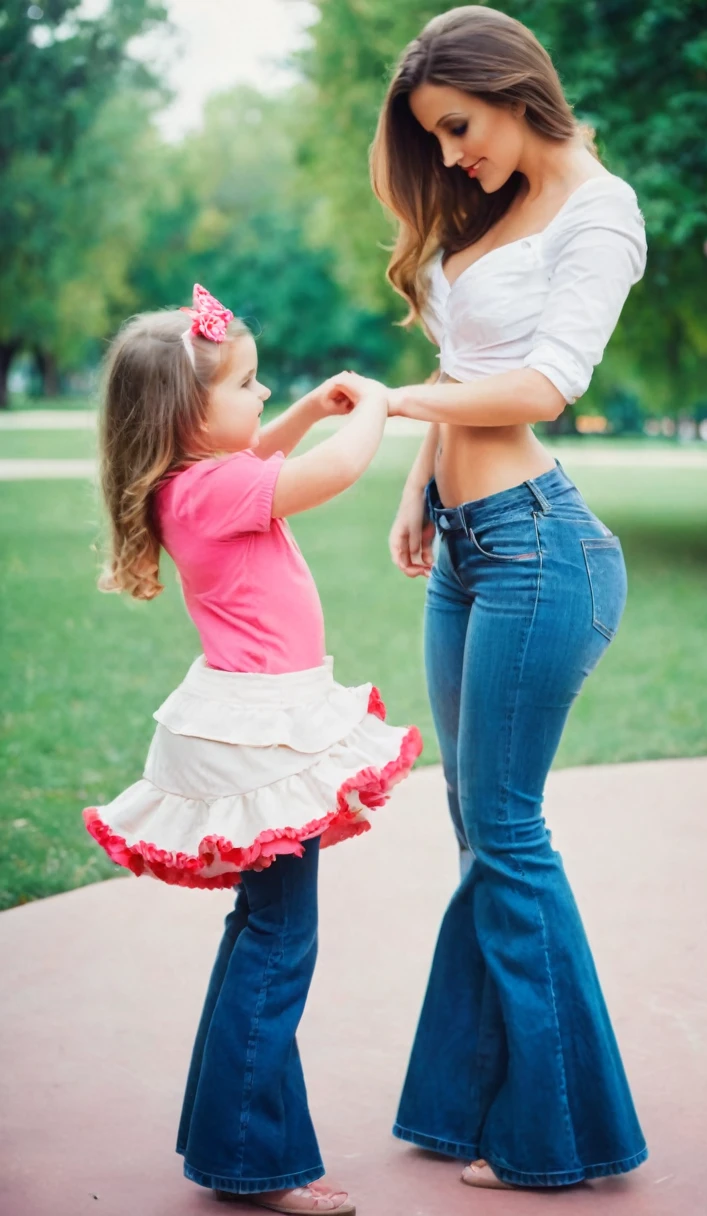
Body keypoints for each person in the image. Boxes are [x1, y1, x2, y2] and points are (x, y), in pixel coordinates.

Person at [355, 3, 649, 1193]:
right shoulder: (492, 205)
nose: (450, 156)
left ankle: (555, 1132)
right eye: (432, 137)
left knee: (509, 833)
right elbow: (461, 370)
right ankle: (469, 1104)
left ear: (516, 91)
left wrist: (393, 408)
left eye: (458, 127)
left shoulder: (599, 210)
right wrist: (419, 488)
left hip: (541, 550)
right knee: (481, 832)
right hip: (472, 546)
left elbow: (542, 384)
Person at [83, 285, 422, 1215]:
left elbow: (262, 453)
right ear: (190, 414)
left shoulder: (189, 484)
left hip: (259, 724)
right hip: (262, 736)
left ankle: (232, 1139)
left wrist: (310, 406)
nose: (265, 394)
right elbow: (332, 474)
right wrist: (378, 411)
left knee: (261, 938)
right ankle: (252, 1159)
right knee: (279, 944)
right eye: (248, 382)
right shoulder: (216, 489)